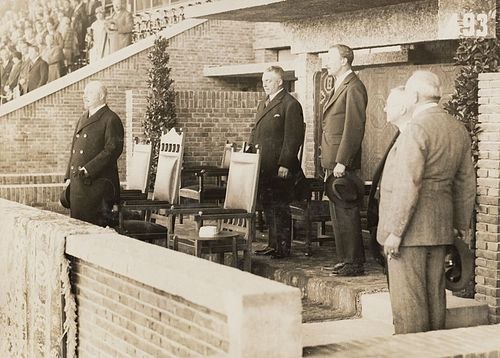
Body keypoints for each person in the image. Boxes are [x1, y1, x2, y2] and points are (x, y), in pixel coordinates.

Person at [377, 71, 476, 334]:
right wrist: (458, 226)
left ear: (415, 96)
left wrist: (396, 231)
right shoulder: (457, 128)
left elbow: (408, 184)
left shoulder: (416, 129)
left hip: (409, 232)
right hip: (440, 229)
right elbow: (466, 184)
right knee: (435, 301)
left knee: (409, 306)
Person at [321, 44, 367, 276]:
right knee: (338, 213)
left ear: (344, 61)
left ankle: (354, 262)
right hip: (333, 160)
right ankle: (345, 259)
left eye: (330, 58)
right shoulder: (340, 84)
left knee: (346, 211)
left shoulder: (354, 86)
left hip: (342, 162)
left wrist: (343, 161)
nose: (325, 62)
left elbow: (354, 127)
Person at [250, 66, 305, 259]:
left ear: (280, 82)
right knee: (268, 204)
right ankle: (272, 244)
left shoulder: (290, 104)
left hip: (279, 167)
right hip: (264, 166)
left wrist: (285, 164)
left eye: (269, 81)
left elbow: (293, 137)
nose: (265, 84)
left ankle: (282, 247)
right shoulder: (264, 103)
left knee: (280, 206)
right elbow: (256, 133)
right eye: (264, 80)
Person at [64, 81, 124, 226]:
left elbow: (112, 150)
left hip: (97, 186)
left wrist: (88, 169)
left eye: (90, 93)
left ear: (102, 95)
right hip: (79, 184)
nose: (85, 97)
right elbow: (74, 149)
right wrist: (68, 176)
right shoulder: (83, 118)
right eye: (84, 93)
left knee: (93, 231)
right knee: (77, 229)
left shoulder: (111, 118)